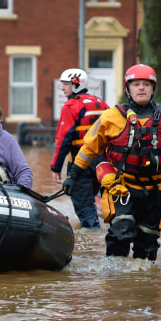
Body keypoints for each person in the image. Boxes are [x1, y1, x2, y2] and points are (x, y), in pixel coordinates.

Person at [63, 64, 161, 261]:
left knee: (148, 243)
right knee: (121, 232)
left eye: (146, 84)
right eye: (136, 84)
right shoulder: (111, 117)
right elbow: (88, 149)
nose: (141, 88)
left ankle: (141, 285)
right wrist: (73, 176)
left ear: (153, 88)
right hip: (123, 187)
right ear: (128, 89)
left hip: (155, 190)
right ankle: (116, 280)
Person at [51, 68, 110, 229]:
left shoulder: (71, 106)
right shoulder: (102, 104)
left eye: (65, 84)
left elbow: (63, 139)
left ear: (75, 85)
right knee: (91, 201)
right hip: (101, 164)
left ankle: (92, 242)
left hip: (80, 163)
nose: (62, 88)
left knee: (84, 206)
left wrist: (56, 167)